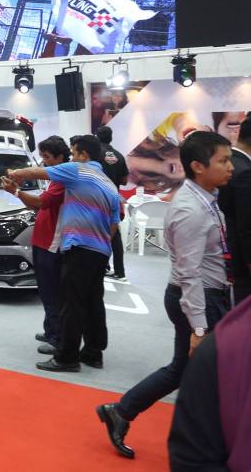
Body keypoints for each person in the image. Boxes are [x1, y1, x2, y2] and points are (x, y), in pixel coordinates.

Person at [96, 131, 234, 459]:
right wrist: (199, 326)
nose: (231, 167)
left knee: (186, 370)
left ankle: (122, 411)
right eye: (224, 161)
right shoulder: (190, 209)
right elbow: (189, 274)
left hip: (209, 296)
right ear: (198, 166)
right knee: (200, 373)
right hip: (198, 299)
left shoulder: (207, 198)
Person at [7, 134, 120, 373]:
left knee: (71, 304)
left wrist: (14, 173)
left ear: (84, 155)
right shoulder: (108, 183)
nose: (72, 157)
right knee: (93, 303)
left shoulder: (78, 170)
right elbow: (114, 224)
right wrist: (100, 242)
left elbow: (36, 173)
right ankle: (93, 353)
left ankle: (66, 357)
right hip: (100, 250)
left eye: (74, 152)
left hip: (79, 248)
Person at [1, 136, 69, 353]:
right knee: (46, 290)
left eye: (47, 157)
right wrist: (20, 193)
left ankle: (58, 338)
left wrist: (16, 192)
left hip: (52, 242)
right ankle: (51, 331)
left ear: (60, 157)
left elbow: (40, 202)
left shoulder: (63, 179)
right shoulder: (54, 179)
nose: (43, 161)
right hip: (42, 239)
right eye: (42, 157)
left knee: (52, 292)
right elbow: (39, 206)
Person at [168, 295, 251, 470]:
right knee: (179, 370)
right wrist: (199, 328)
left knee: (180, 371)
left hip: (214, 303)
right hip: (206, 304)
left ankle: (124, 409)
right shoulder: (226, 346)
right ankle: (124, 409)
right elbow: (190, 279)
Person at [219, 116, 251, 303]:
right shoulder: (244, 171)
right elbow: (246, 225)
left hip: (234, 248)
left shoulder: (234, 163)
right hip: (242, 255)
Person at [96, 126, 129, 280]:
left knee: (97, 233)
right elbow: (124, 180)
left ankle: (102, 267)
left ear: (97, 137)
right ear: (111, 137)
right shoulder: (119, 156)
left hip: (98, 198)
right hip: (114, 198)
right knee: (115, 235)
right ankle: (119, 270)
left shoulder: (95, 154)